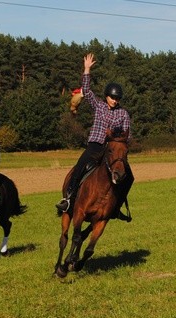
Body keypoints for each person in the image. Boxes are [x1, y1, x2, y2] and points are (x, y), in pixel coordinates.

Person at [56, 53, 133, 214]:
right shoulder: (99, 106)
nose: (114, 100)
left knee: (129, 177)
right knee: (80, 167)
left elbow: (128, 136)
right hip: (96, 146)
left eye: (117, 98)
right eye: (112, 97)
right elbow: (87, 90)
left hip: (113, 150)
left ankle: (116, 207)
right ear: (106, 96)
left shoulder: (123, 114)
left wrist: (118, 142)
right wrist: (86, 69)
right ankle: (68, 199)